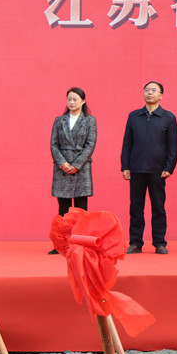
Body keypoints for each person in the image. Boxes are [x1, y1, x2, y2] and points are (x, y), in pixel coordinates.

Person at [121, 81, 177, 254]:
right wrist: (125, 166)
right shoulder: (134, 116)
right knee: (136, 208)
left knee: (158, 207)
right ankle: (135, 242)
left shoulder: (168, 117)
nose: (150, 93)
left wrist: (169, 167)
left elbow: (173, 146)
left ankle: (159, 242)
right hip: (136, 168)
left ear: (161, 95)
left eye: (154, 90)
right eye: (147, 90)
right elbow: (127, 143)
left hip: (158, 170)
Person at [49, 87, 97, 254]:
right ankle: (61, 244)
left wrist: (76, 164)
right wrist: (62, 163)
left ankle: (81, 243)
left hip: (81, 168)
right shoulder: (59, 120)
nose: (71, 102)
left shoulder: (90, 120)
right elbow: (53, 144)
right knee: (63, 209)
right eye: (69, 99)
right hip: (62, 168)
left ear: (83, 101)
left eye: (75, 99)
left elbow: (90, 144)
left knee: (81, 208)